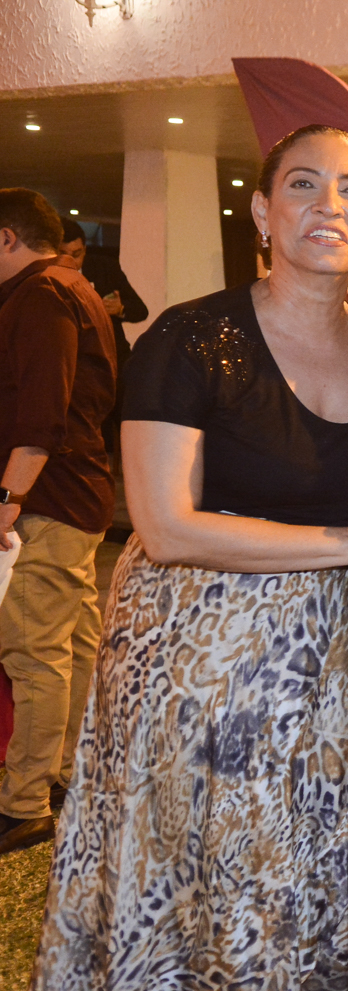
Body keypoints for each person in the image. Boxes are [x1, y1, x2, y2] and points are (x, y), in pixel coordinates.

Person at [31, 125, 348, 991]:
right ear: (262, 212)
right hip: (197, 660)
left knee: (324, 875)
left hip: (337, 669)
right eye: (302, 184)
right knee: (206, 879)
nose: (328, 205)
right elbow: (165, 525)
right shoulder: (189, 337)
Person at [0, 189, 116, 856]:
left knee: (34, 655)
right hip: (76, 494)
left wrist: (7, 499)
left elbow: (41, 416)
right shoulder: (75, 287)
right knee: (70, 648)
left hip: (44, 499)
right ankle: (67, 775)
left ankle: (24, 805)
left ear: (7, 237)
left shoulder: (41, 295)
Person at [60, 219, 148, 459]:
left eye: (77, 254)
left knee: (131, 412)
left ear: (84, 249)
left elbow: (140, 310)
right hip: (72, 364)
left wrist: (119, 308)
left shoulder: (103, 267)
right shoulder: (47, 277)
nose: (72, 261)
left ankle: (136, 464)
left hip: (113, 358)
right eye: (64, 254)